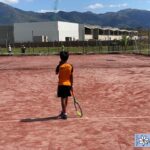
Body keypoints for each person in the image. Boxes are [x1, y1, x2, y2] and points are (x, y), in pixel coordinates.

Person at [55, 51, 73, 119]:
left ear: (60, 57)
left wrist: (59, 64)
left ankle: (64, 113)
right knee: (66, 97)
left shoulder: (60, 66)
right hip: (68, 84)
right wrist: (72, 85)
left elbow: (56, 72)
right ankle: (64, 111)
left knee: (62, 98)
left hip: (61, 84)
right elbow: (71, 76)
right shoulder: (70, 66)